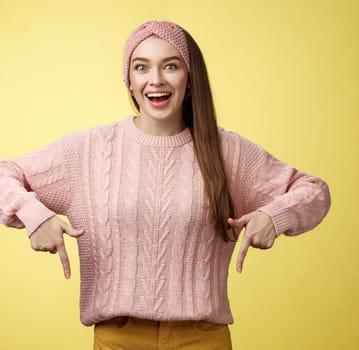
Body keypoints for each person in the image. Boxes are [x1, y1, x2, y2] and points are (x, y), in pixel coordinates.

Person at [0, 20, 331, 349]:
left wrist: (275, 215)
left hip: (202, 340)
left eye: (170, 66)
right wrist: (33, 214)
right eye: (141, 67)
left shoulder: (227, 152)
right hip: (118, 339)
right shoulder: (88, 151)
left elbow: (314, 192)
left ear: (189, 79)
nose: (155, 80)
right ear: (128, 81)